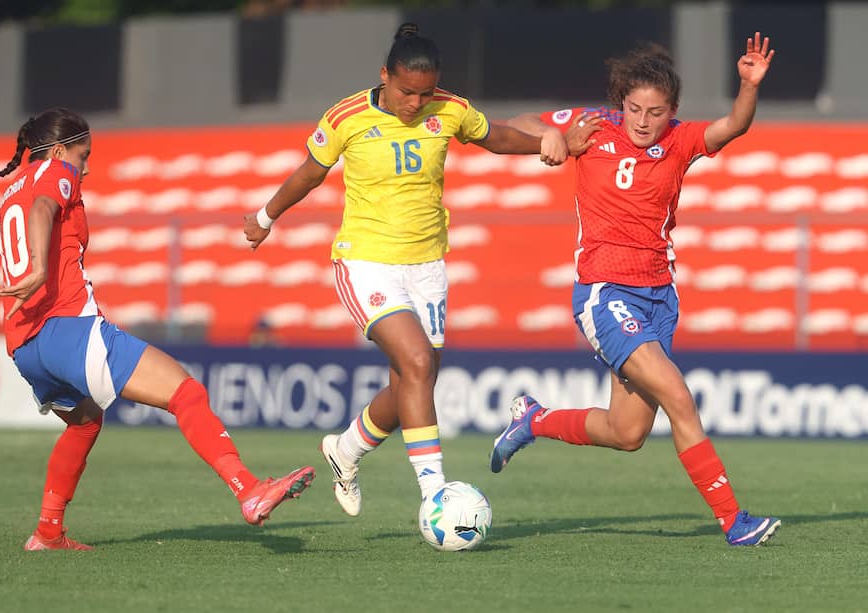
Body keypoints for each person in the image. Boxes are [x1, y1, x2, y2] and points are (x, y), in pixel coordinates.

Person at [243, 23, 570, 516]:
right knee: (417, 363)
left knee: (410, 385)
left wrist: (555, 141)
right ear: (384, 76)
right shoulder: (346, 116)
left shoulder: (452, 109)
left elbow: (499, 138)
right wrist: (266, 218)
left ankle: (345, 450)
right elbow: (310, 172)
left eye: (425, 93)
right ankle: (435, 495)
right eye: (405, 92)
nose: (415, 103)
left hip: (428, 267)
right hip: (366, 261)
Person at [490, 33, 781, 546]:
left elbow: (734, 125)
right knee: (679, 397)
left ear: (673, 111)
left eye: (656, 111)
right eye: (634, 109)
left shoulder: (681, 140)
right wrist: (549, 139)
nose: (644, 121)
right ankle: (735, 522)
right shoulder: (592, 126)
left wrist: (748, 87)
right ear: (619, 102)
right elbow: (518, 123)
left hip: (659, 297)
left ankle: (535, 420)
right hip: (606, 293)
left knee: (627, 434)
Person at [0, 107, 315, 551]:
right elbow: (45, 207)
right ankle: (248, 490)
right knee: (187, 393)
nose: (86, 165)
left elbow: (35, 212)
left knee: (83, 424)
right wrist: (42, 267)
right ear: (60, 150)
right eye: (83, 154)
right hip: (68, 330)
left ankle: (48, 531)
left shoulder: (11, 192)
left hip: (25, 346)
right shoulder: (54, 171)